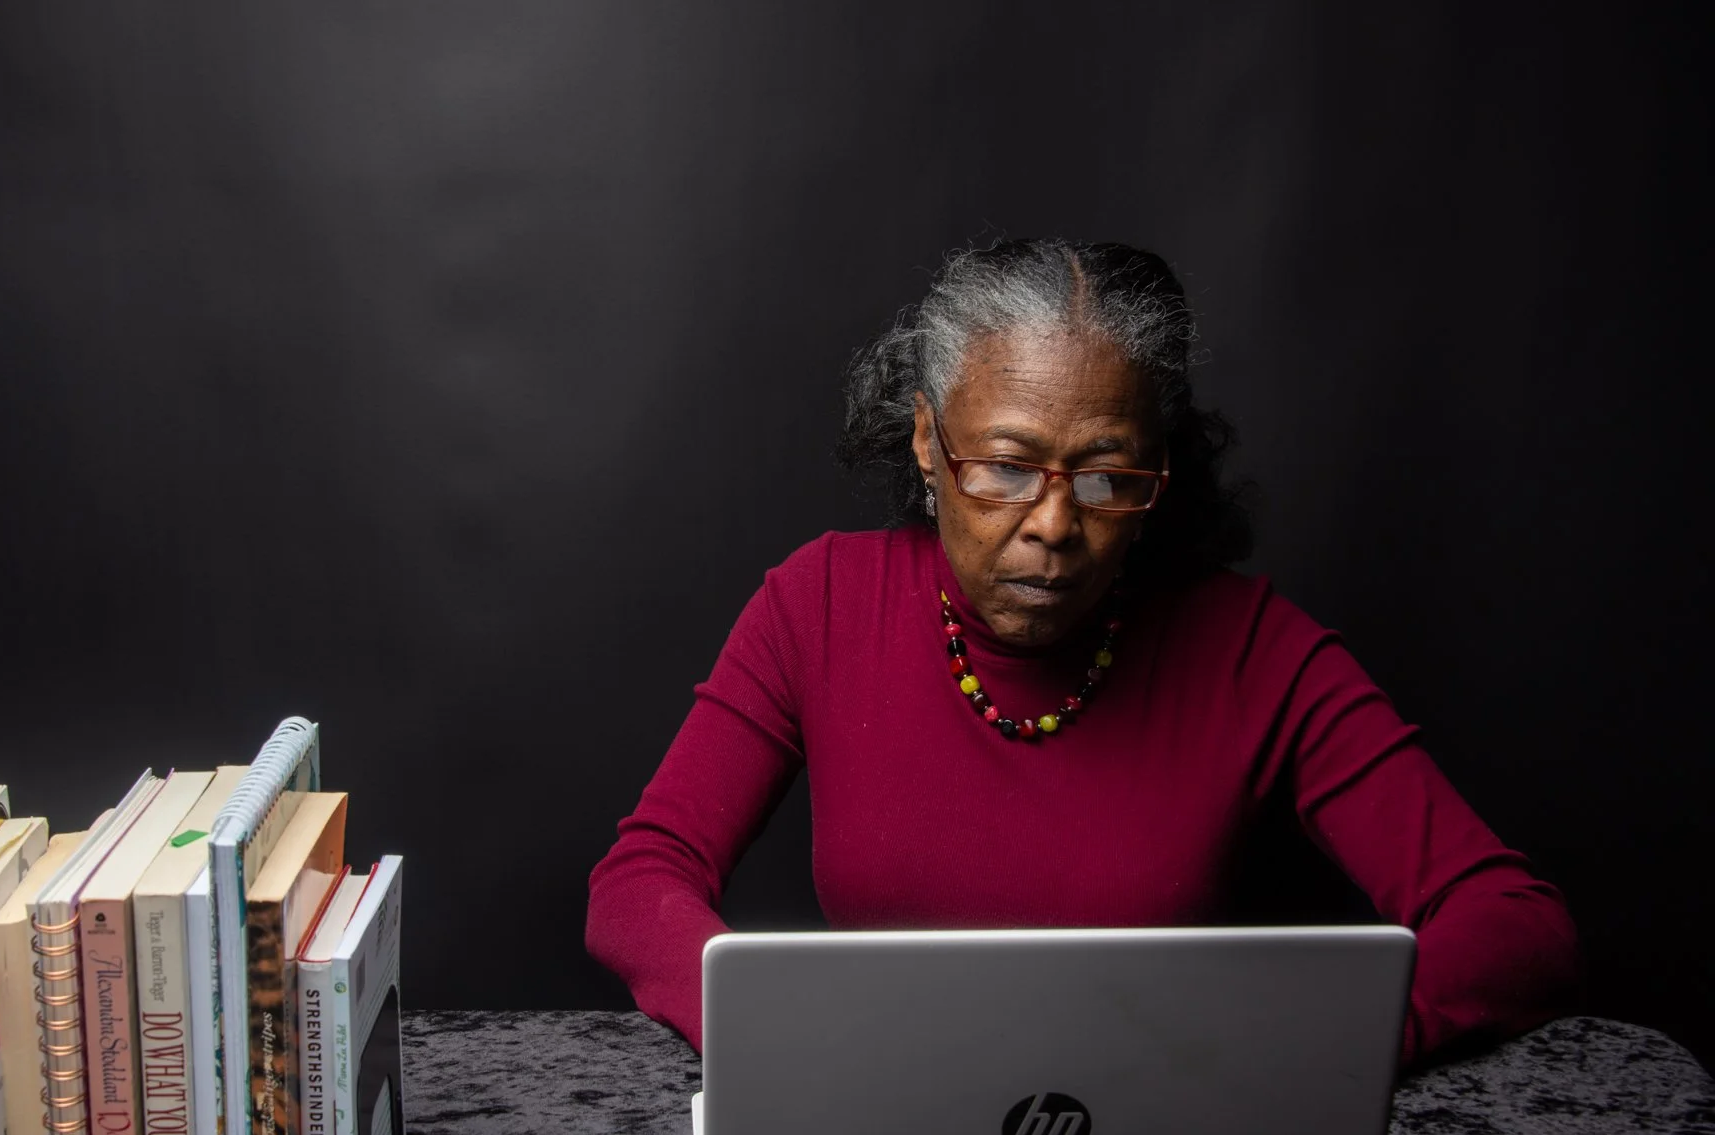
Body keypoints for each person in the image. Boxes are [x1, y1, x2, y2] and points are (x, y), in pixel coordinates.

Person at [584, 238, 1580, 1069]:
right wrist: (790, 1043)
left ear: (1159, 468)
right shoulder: (818, 603)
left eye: (1107, 478)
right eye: (1006, 468)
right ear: (928, 441)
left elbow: (1511, 924)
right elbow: (639, 882)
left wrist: (1302, 1060)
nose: (1054, 526)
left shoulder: (1249, 650)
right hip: (880, 1127)